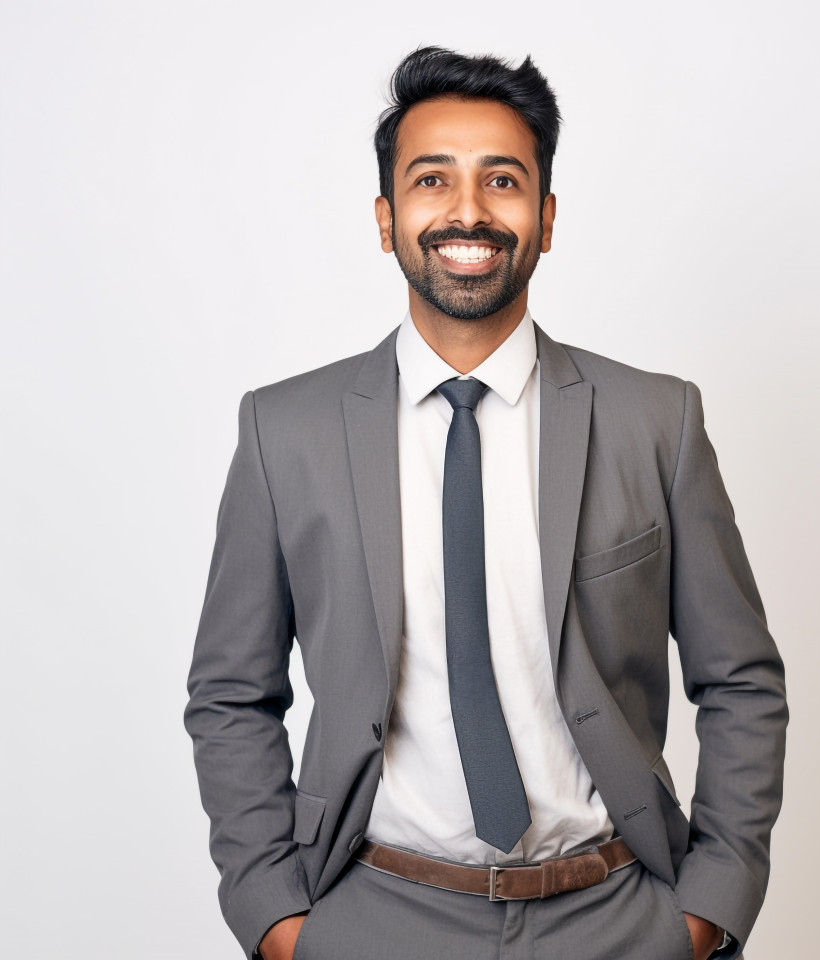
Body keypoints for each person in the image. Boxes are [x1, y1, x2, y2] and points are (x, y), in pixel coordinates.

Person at [185, 46, 787, 960]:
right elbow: (232, 692)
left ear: (545, 219)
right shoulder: (284, 432)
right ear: (386, 219)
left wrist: (707, 908)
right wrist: (277, 919)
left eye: (502, 180)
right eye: (433, 180)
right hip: (376, 915)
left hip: (616, 913)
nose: (468, 210)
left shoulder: (655, 420)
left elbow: (740, 679)